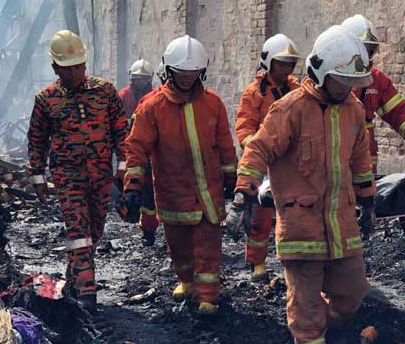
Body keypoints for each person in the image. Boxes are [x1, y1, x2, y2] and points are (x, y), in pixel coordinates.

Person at [229, 25, 376, 344]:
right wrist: (244, 190)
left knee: (352, 292)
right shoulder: (290, 109)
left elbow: (360, 158)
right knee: (306, 301)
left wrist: (368, 198)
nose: (347, 88)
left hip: (342, 223)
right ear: (322, 71)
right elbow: (258, 148)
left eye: (352, 82)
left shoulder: (354, 109)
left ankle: (317, 329)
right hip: (301, 226)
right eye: (342, 81)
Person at [123, 36, 237, 314]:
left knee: (209, 245)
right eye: (181, 73)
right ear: (168, 71)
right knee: (179, 246)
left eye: (192, 74)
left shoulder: (213, 103)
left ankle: (207, 296)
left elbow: (225, 142)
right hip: (173, 191)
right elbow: (136, 147)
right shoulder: (152, 107)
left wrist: (231, 176)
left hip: (208, 191)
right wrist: (132, 185)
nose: (187, 79)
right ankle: (186, 280)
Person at [27, 30, 128, 314]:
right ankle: (87, 292)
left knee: (94, 230)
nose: (74, 73)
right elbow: (37, 140)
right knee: (78, 232)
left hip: (100, 175)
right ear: (55, 68)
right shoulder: (46, 99)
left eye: (78, 66)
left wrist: (124, 166)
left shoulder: (105, 92)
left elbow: (121, 131)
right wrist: (38, 177)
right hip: (67, 177)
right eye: (67, 68)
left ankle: (73, 281)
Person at [235, 34, 301, 282]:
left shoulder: (297, 91)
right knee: (259, 216)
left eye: (289, 64)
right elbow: (244, 128)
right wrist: (258, 149)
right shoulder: (254, 93)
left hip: (291, 163)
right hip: (264, 163)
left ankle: (294, 263)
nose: (286, 69)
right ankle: (257, 262)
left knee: (294, 214)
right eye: (281, 64)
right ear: (269, 63)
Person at [341, 14, 405, 173]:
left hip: (366, 167)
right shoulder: (330, 78)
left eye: (369, 50)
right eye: (362, 49)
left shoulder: (375, 79)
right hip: (335, 161)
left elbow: (397, 112)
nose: (366, 55)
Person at [118, 59, 159, 245]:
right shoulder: (123, 96)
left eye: (144, 80)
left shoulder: (155, 98)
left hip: (151, 149)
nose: (141, 83)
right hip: (130, 145)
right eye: (137, 79)